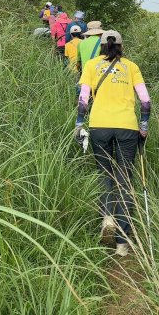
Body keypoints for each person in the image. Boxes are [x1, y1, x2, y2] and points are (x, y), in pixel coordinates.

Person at [75, 30, 151, 257]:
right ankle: (122, 244)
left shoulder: (91, 66)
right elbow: (145, 102)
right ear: (120, 46)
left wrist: (79, 125)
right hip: (127, 127)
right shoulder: (131, 67)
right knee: (125, 180)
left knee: (105, 174)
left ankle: (107, 217)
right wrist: (144, 128)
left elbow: (83, 100)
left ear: (102, 46)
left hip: (100, 126)